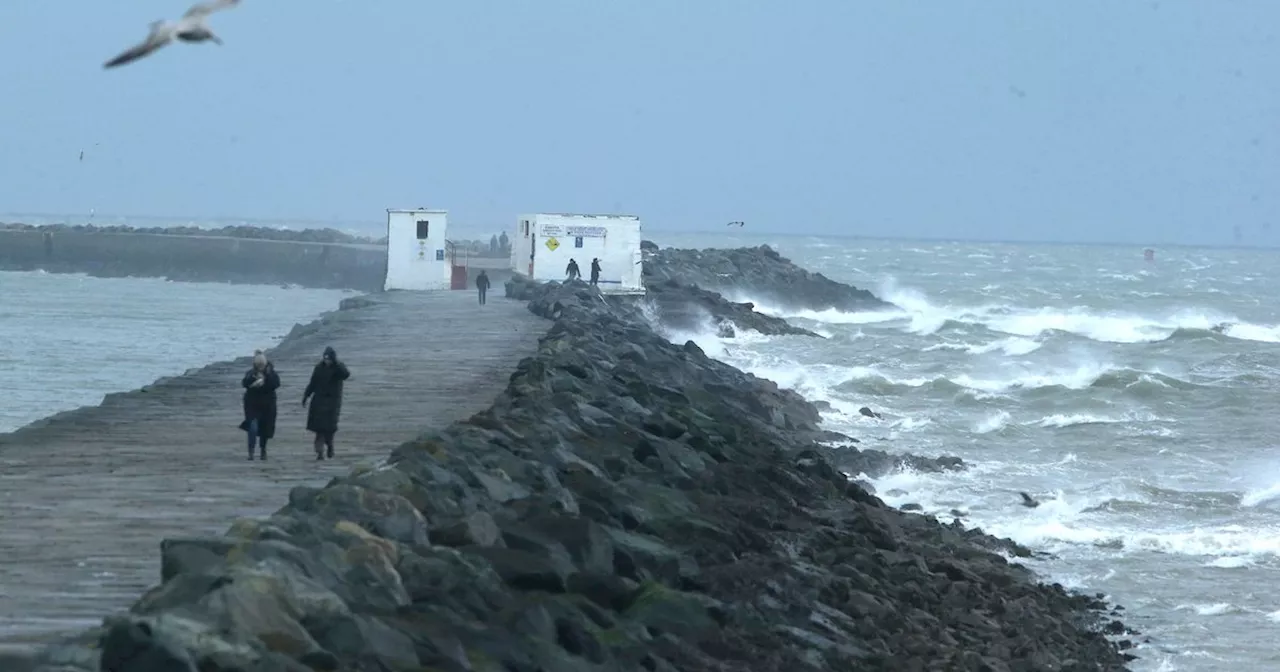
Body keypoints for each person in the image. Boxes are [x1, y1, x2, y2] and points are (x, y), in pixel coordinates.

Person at [302, 346, 350, 460]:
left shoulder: (338, 368)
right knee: (319, 429)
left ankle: (330, 446)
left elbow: (346, 375)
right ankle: (319, 452)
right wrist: (306, 395)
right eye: (325, 358)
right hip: (318, 400)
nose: (327, 361)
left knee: (329, 429)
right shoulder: (319, 368)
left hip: (332, 402)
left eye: (329, 359)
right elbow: (312, 383)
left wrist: (337, 364)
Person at [239, 350, 280, 461]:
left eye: (262, 365)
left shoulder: (272, 373)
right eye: (258, 365)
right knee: (252, 427)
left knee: (265, 430)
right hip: (252, 405)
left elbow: (276, 384)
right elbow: (244, 383)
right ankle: (251, 451)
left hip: (268, 406)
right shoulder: (251, 373)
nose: (260, 367)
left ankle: (263, 450)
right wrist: (253, 381)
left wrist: (266, 380)